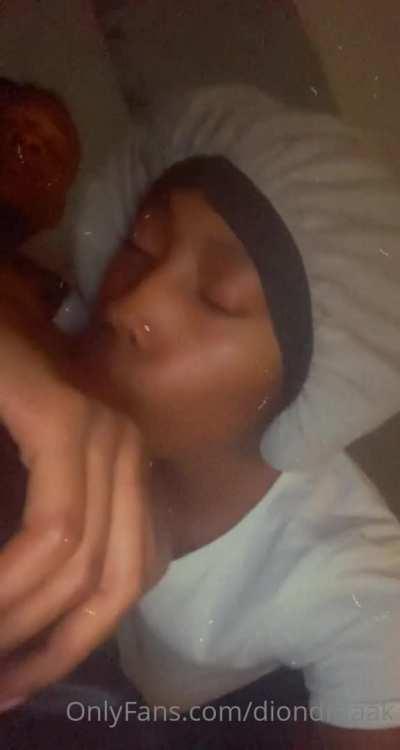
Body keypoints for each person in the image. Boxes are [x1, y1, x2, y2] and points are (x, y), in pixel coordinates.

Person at [0, 80, 400, 750]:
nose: (130, 306)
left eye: (217, 298)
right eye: (141, 245)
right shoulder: (73, 345)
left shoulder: (356, 584)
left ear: (299, 389)